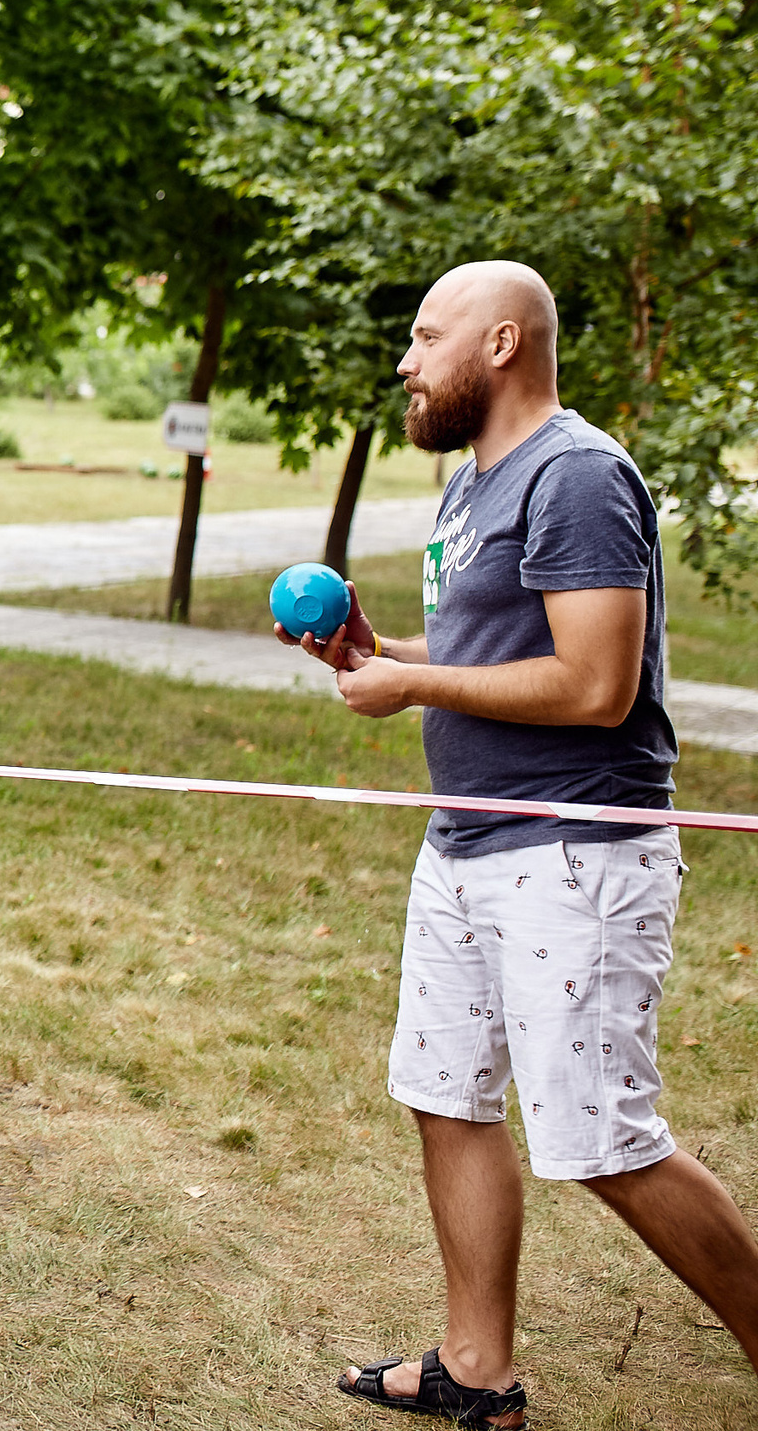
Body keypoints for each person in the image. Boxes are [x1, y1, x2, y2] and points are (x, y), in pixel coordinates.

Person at [281, 261, 758, 1428]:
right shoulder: (470, 487)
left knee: (602, 1139)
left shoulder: (577, 475)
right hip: (467, 842)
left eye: (423, 335)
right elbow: (494, 658)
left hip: (573, 851)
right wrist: (373, 651)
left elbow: (595, 686)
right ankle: (475, 1371)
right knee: (446, 1095)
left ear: (500, 344)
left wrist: (411, 685)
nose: (404, 359)